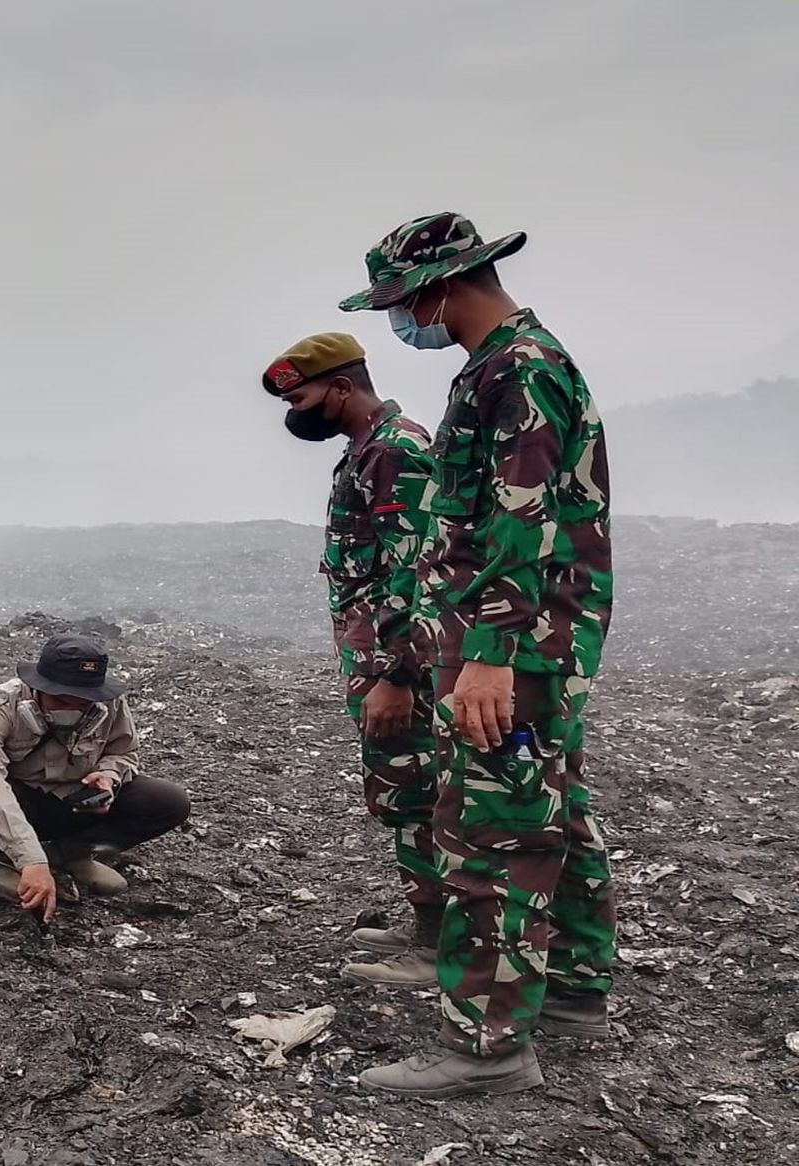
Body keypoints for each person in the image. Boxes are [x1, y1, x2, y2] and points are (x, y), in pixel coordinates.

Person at [338, 212, 616, 1098]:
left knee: (491, 838)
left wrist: (489, 654)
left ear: (444, 288)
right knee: (550, 809)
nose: (401, 320)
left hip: (512, 648)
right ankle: (573, 990)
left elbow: (518, 517)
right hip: (529, 644)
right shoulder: (502, 367)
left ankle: (486, 1050)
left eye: (401, 302)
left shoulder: (518, 372)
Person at [261, 333, 443, 988]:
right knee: (401, 793)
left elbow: (421, 572)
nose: (297, 410)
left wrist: (397, 675)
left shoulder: (396, 452)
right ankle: (427, 920)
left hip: (405, 672)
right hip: (377, 664)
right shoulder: (367, 453)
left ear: (342, 388)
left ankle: (438, 945)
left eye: (303, 395)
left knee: (417, 794)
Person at [0, 633, 191, 920]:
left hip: (75, 803)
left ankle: (67, 855)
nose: (71, 708)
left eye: (81, 701)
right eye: (61, 699)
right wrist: (31, 860)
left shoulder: (111, 704)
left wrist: (108, 777)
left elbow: (124, 752)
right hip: (17, 802)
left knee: (167, 802)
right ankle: (15, 862)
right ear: (37, 686)